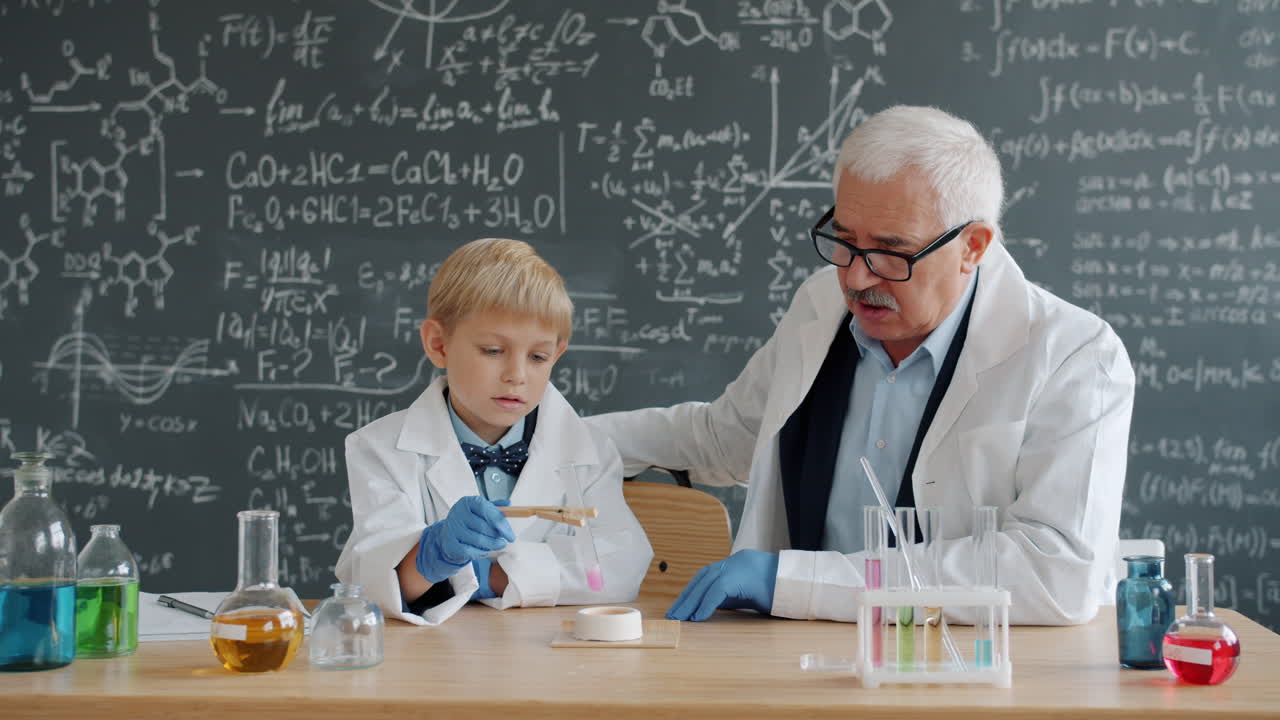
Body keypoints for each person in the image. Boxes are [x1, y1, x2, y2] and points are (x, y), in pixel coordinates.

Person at [588, 105, 1135, 625]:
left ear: (973, 246)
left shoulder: (1075, 356)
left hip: (971, 675)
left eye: (891, 252)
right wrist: (541, 441)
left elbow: (1057, 572)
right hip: (800, 663)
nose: (855, 279)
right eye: (845, 241)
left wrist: (794, 579)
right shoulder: (819, 305)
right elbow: (721, 438)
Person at [336, 238, 652, 625]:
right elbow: (368, 585)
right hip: (431, 663)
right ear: (438, 345)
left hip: (554, 661)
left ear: (556, 354)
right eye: (492, 350)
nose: (516, 375)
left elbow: (619, 568)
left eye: (537, 357)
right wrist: (429, 556)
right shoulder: (379, 449)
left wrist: (489, 577)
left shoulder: (590, 451)